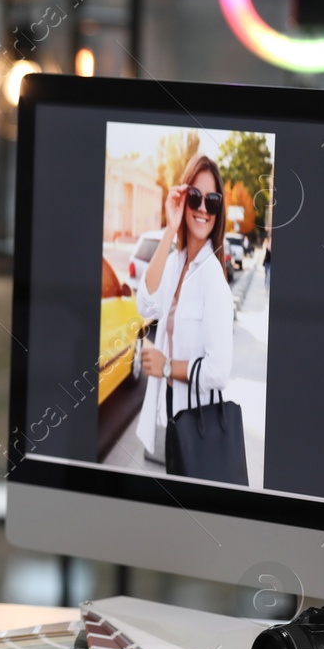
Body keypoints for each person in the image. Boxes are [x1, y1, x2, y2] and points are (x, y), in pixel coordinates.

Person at [134, 153, 234, 465]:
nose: (203, 208)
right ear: (184, 200)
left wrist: (166, 367)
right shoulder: (178, 264)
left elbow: (218, 372)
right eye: (195, 197)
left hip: (197, 424)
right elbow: (146, 303)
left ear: (218, 211)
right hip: (171, 415)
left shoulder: (213, 277)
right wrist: (170, 227)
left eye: (212, 201)